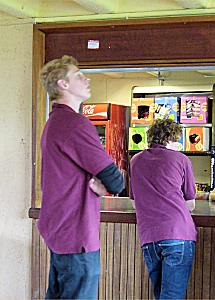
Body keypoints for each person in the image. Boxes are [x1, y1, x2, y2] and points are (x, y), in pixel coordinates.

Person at [38, 55, 125, 300]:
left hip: (60, 231)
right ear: (62, 84)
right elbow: (116, 181)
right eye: (78, 75)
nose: (86, 79)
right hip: (77, 235)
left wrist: (101, 184)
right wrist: (103, 185)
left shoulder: (54, 123)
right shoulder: (74, 124)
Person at [129, 118, 197, 300]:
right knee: (171, 296)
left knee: (161, 295)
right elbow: (191, 204)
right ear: (171, 138)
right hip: (178, 235)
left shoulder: (135, 161)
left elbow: (135, 202)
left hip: (149, 237)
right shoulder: (181, 159)